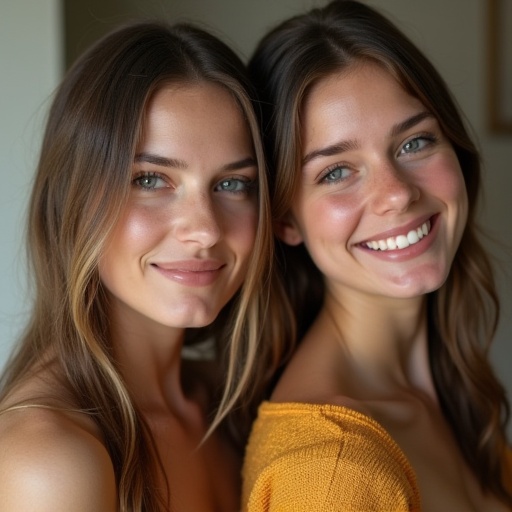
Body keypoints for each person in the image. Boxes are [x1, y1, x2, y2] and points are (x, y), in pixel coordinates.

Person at [0, 20, 290, 512]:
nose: (205, 229)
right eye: (151, 180)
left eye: (233, 184)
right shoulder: (49, 460)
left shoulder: (232, 404)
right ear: (72, 196)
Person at [242, 1, 512, 510]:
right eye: (336, 171)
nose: (396, 194)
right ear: (285, 220)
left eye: (415, 143)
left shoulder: (451, 392)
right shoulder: (328, 474)